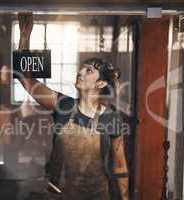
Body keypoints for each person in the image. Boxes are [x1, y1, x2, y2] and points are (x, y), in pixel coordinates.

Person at [17, 13, 129, 200]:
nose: (80, 72)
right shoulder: (63, 104)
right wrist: (24, 36)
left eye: (89, 71)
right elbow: (25, 79)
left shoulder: (112, 118)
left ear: (100, 84)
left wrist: (125, 199)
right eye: (81, 68)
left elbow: (120, 165)